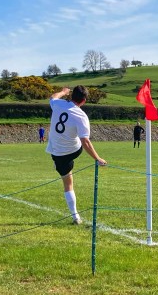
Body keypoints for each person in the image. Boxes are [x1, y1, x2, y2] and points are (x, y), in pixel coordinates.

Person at [46, 86, 106, 225]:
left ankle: (76, 217)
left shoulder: (58, 104)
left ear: (71, 96)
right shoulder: (81, 116)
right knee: (69, 180)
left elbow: (52, 97)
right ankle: (76, 217)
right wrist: (98, 159)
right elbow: (85, 141)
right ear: (84, 101)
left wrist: (63, 92)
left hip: (57, 152)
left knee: (68, 184)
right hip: (73, 150)